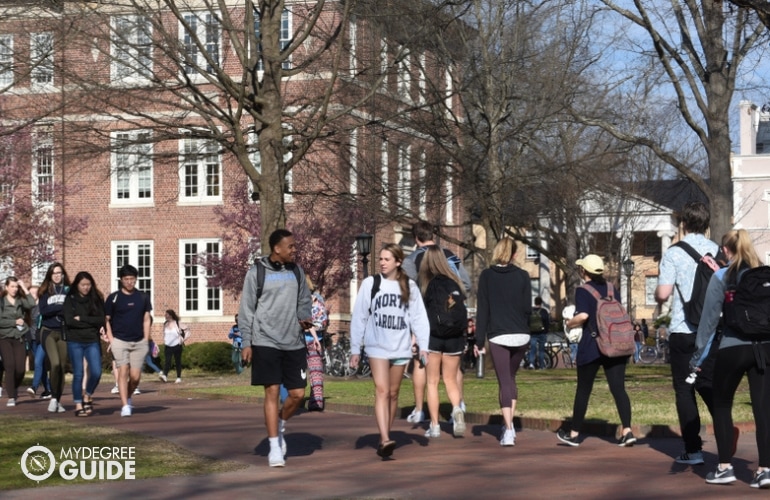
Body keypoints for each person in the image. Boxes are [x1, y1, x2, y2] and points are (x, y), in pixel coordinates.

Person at [692, 229, 770, 486]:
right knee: (763, 409)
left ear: (726, 250)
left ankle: (724, 467)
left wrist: (698, 357)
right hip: (764, 348)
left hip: (733, 347)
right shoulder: (764, 276)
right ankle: (765, 470)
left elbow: (709, 322)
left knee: (722, 403)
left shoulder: (722, 276)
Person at [238, 229, 313, 468]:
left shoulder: (297, 271)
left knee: (298, 394)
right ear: (276, 249)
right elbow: (247, 310)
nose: (294, 249)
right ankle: (274, 447)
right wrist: (247, 342)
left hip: (294, 342)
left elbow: (304, 301)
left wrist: (304, 316)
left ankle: (280, 423)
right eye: (290, 246)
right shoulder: (256, 273)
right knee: (271, 391)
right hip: (265, 341)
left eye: (294, 246)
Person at [350, 243, 430, 458]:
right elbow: (359, 316)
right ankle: (385, 437)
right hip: (377, 345)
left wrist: (424, 346)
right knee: (382, 391)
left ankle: (383, 435)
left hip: (400, 346)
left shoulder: (409, 287)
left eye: (387, 259)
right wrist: (355, 349)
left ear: (398, 262)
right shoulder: (371, 284)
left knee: (394, 394)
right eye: (381, 259)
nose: (383, 263)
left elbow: (419, 318)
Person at [655, 201, 719, 465]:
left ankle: (693, 451)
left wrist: (659, 298)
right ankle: (725, 430)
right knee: (710, 384)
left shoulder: (673, 253)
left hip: (684, 329)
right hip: (713, 330)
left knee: (684, 389)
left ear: (683, 224)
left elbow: (663, 293)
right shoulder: (718, 251)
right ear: (706, 224)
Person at [556, 254, 636, 447]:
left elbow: (583, 316)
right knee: (619, 389)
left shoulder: (583, 291)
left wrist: (569, 322)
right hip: (614, 344)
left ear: (584, 271)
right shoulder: (612, 289)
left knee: (583, 390)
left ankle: (574, 434)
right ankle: (627, 430)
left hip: (592, 345)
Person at [401, 220, 471, 424]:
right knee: (455, 367)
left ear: (416, 238)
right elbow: (466, 283)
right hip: (454, 318)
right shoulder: (450, 256)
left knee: (421, 364)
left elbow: (407, 291)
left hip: (426, 319)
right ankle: (459, 406)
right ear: (434, 235)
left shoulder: (412, 259)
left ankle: (420, 410)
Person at [474, 238, 531, 446]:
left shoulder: (487, 276)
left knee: (504, 381)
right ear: (514, 255)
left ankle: (508, 429)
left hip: (499, 335)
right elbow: (527, 309)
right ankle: (510, 425)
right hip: (521, 334)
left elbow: (483, 311)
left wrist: (478, 340)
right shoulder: (523, 276)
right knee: (511, 378)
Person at [418, 246, 468, 438]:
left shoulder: (427, 286)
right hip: (454, 338)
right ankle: (456, 409)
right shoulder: (455, 283)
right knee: (450, 379)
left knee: (432, 382)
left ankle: (435, 426)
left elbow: (422, 315)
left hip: (433, 337)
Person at [104, 264, 152, 418]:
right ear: (121, 280)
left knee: (136, 377)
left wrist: (146, 339)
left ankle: (128, 396)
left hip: (139, 341)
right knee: (123, 371)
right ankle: (125, 405)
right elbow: (107, 320)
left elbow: (146, 319)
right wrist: (111, 340)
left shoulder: (143, 297)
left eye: (132, 279)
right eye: (126, 279)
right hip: (120, 340)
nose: (129, 282)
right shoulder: (113, 298)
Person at [63, 271, 105, 417]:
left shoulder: (96, 299)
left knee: (96, 371)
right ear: (77, 285)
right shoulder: (70, 299)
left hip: (92, 340)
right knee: (79, 373)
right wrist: (89, 322)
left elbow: (100, 320)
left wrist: (81, 318)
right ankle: (78, 403)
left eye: (88, 285)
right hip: (75, 340)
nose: (86, 288)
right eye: (83, 285)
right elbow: (69, 321)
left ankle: (87, 394)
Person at [38, 263, 71, 413]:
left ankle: (57, 400)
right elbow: (44, 311)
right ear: (50, 275)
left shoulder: (69, 290)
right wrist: (61, 307)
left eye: (59, 272)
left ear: (63, 274)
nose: (57, 275)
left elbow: (71, 309)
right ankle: (52, 397)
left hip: (63, 332)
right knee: (55, 364)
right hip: (48, 332)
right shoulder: (45, 291)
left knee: (62, 367)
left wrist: (61, 309)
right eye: (54, 273)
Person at [0, 277, 35, 407]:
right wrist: (14, 322)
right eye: (12, 286)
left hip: (19, 337)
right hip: (4, 338)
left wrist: (24, 287)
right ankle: (11, 396)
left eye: (16, 287)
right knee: (9, 366)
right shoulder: (1, 302)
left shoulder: (20, 301)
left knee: (20, 369)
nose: (14, 289)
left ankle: (13, 387)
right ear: (6, 287)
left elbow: (32, 304)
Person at [25, 285, 51, 399]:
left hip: (42, 339)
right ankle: (48, 390)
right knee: (40, 365)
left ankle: (34, 387)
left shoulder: (43, 306)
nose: (34, 295)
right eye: (31, 293)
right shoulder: (27, 308)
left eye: (36, 293)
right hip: (32, 339)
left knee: (37, 362)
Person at [306, 276, 326, 411]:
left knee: (316, 372)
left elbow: (322, 322)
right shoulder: (297, 302)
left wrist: (310, 327)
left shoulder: (318, 303)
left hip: (313, 341)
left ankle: (317, 401)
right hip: (296, 342)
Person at [161, 309, 188, 384]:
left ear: (170, 315)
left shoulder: (177, 323)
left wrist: (183, 339)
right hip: (168, 345)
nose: (165, 316)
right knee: (167, 361)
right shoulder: (165, 324)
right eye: (165, 315)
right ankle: (164, 376)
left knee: (177, 361)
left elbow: (187, 330)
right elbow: (164, 333)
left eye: (166, 314)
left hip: (177, 345)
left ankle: (178, 377)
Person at [527, 296, 550, 369]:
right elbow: (547, 322)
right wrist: (546, 331)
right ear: (541, 303)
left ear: (535, 302)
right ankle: (541, 365)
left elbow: (528, 322)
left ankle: (531, 363)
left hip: (533, 333)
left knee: (532, 349)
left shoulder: (530, 311)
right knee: (541, 350)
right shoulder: (544, 311)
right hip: (542, 333)